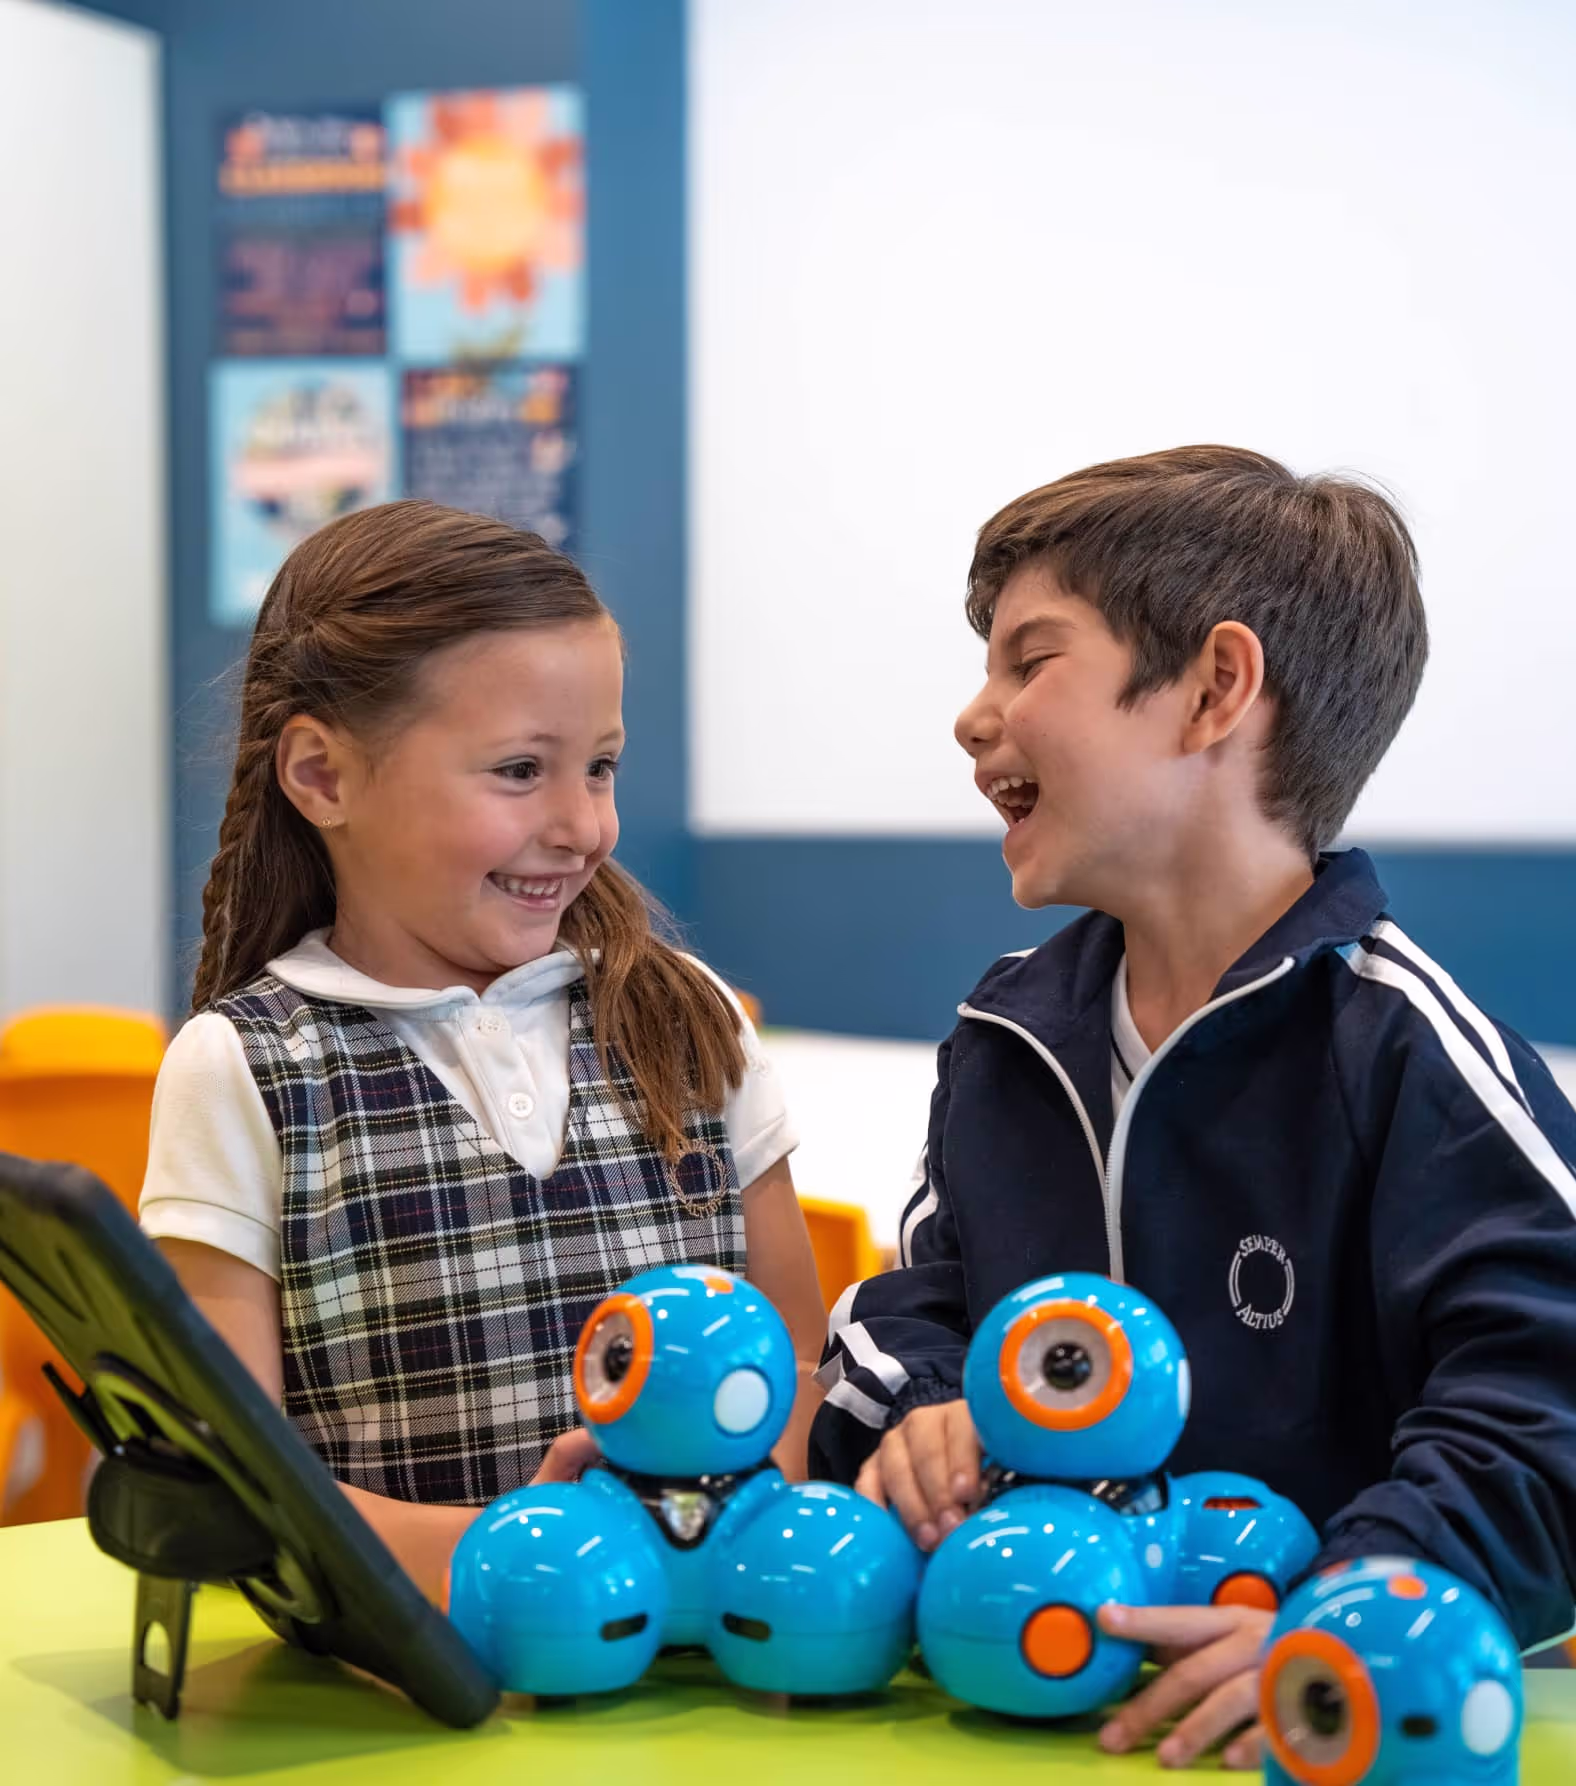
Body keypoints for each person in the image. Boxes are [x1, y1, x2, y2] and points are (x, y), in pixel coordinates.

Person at [811, 446, 1576, 1768]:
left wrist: (1341, 1612)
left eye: (1028, 660)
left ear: (1216, 686)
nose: (971, 716)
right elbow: (915, 1306)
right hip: (1021, 1713)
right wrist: (929, 1406)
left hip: (1297, 1736)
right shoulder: (1006, 1034)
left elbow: (1544, 1413)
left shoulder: (1408, 1051)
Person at [141, 500, 825, 1599]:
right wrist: (552, 1564)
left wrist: (722, 1552)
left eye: (599, 766)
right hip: (402, 1704)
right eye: (518, 770)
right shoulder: (245, 1068)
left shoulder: (686, 1018)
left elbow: (794, 1361)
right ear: (322, 776)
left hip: (694, 1685)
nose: (581, 825)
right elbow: (240, 1479)